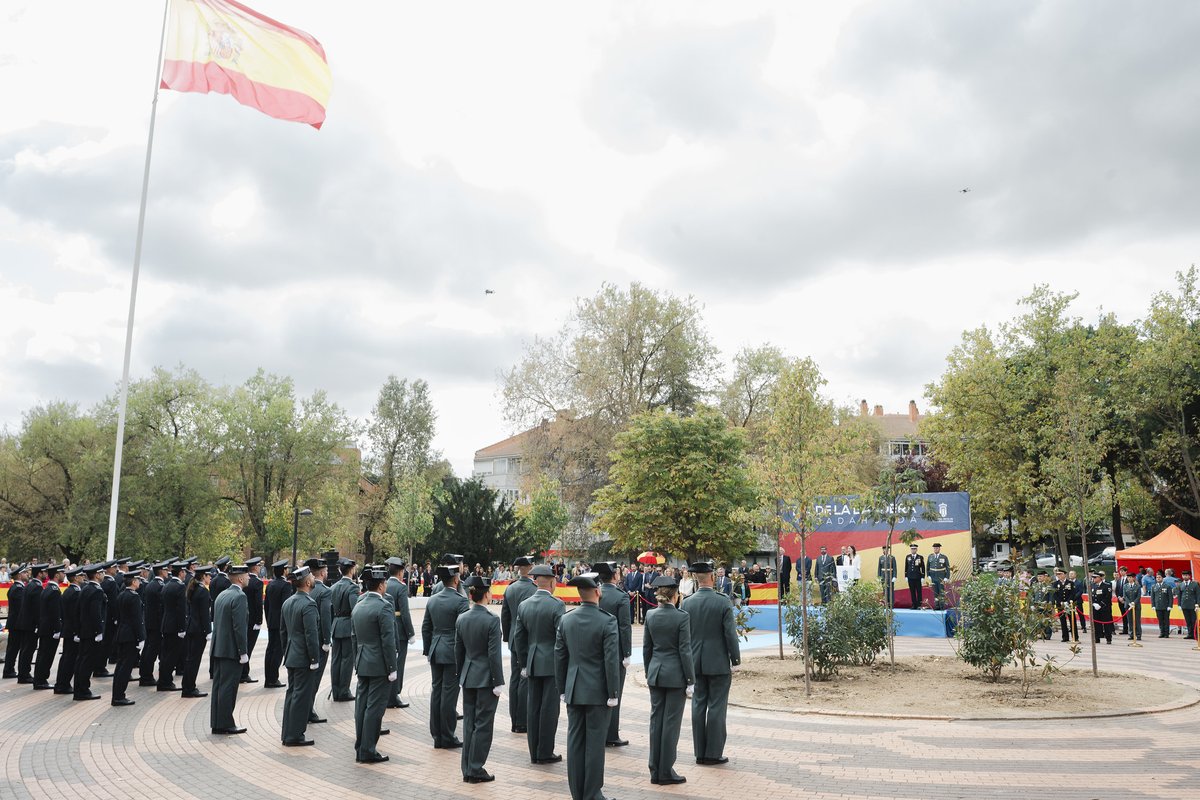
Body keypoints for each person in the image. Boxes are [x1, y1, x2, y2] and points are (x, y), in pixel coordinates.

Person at [554, 573, 620, 800]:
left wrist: (562, 688)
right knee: (594, 743)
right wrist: (613, 692)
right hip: (598, 691)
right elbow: (611, 660)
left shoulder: (566, 619)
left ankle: (577, 792)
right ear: (598, 592)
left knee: (575, 742)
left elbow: (560, 657)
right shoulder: (607, 620)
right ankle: (592, 793)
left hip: (573, 688)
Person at [682, 561, 740, 766]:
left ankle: (700, 752)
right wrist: (736, 659)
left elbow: (684, 636)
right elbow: (730, 634)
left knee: (698, 704)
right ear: (713, 578)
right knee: (716, 706)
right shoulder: (722, 601)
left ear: (697, 579)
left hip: (694, 661)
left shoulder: (687, 603)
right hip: (717, 662)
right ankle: (713, 753)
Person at [510, 563, 564, 764]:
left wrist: (524, 663)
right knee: (549, 709)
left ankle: (534, 751)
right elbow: (561, 639)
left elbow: (518, 638)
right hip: (550, 664)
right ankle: (545, 751)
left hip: (531, 662)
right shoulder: (557, 604)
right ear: (551, 582)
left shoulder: (524, 605)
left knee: (533, 708)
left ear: (535, 582)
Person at [643, 573, 694, 786]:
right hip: (675, 676)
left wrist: (649, 672)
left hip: (656, 672)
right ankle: (666, 770)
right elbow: (685, 651)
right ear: (675, 596)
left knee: (656, 722)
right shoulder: (682, 617)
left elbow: (647, 648)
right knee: (670, 724)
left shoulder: (650, 616)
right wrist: (690, 679)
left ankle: (655, 768)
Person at [455, 574, 504, 783]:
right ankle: (475, 768)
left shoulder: (462, 617)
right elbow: (494, 654)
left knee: (469, 723)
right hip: (485, 678)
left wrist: (461, 674)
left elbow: (459, 650)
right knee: (483, 724)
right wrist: (498, 681)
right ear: (486, 595)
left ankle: (467, 767)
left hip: (468, 675)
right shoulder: (492, 620)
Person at [351, 565, 397, 764]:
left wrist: (357, 660)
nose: (386, 585)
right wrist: (392, 667)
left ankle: (361, 744)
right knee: (374, 708)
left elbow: (354, 637)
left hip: (362, 660)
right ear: (380, 586)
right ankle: (368, 749)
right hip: (379, 663)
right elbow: (388, 640)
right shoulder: (384, 606)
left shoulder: (359, 604)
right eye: (384, 582)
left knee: (362, 705)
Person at [423, 564, 469, 749]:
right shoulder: (460, 601)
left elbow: (426, 627)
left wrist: (428, 649)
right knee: (449, 695)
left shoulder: (432, 600)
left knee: (437, 692)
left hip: (436, 649)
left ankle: (437, 735)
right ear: (456, 580)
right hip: (452, 652)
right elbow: (465, 629)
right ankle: (448, 735)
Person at [280, 565, 321, 747]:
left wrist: (287, 652)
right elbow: (311, 635)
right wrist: (314, 659)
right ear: (306, 582)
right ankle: (295, 735)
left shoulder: (288, 602)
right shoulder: (309, 604)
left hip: (291, 655)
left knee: (292, 694)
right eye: (311, 576)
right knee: (301, 697)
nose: (313, 577)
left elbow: (283, 633)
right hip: (304, 657)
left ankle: (287, 732)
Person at [593, 561, 632, 748]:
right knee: (615, 691)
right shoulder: (621, 597)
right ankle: (611, 734)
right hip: (614, 651)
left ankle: (599, 731)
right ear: (615, 576)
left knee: (598, 692)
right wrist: (627, 653)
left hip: (594, 649)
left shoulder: (595, 593)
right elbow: (625, 627)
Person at [210, 563, 250, 735]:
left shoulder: (222, 595)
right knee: (228, 688)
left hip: (219, 648)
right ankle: (226, 723)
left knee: (219, 687)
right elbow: (239, 627)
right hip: (231, 650)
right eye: (247, 575)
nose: (248, 577)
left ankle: (217, 723)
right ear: (240, 579)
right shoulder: (239, 597)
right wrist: (243, 652)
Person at [500, 555, 536, 734]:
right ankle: (522, 721)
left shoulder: (510, 588)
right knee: (525, 679)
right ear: (530, 568)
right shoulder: (533, 589)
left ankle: (515, 719)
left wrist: (507, 637)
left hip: (515, 639)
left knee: (515, 679)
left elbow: (505, 615)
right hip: (529, 639)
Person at [383, 556, 415, 709]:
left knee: (388, 662)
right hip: (400, 630)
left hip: (386, 626)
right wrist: (410, 633)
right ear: (401, 572)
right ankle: (394, 695)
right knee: (398, 664)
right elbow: (405, 612)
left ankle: (388, 694)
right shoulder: (401, 587)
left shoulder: (384, 584)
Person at [304, 557, 332, 724]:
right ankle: (308, 710)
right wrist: (327, 641)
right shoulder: (325, 591)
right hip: (319, 640)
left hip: (306, 639)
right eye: (326, 571)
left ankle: (306, 709)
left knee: (307, 677)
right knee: (315, 678)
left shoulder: (306, 588)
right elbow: (325, 618)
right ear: (322, 573)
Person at [73, 563, 107, 701]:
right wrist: (98, 631)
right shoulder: (97, 591)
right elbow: (96, 613)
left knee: (82, 660)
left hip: (84, 630)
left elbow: (78, 611)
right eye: (102, 573)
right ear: (97, 575)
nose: (103, 575)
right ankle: (83, 690)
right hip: (92, 632)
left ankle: (79, 688)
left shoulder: (85, 588)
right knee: (87, 661)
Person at [111, 570, 144, 706]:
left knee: (120, 666)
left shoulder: (122, 595)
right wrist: (140, 638)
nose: (140, 582)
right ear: (134, 582)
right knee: (125, 668)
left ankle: (117, 695)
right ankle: (119, 696)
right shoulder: (134, 597)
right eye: (138, 580)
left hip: (121, 634)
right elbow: (137, 620)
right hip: (130, 636)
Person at [329, 557, 359, 701]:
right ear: (352, 570)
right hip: (347, 626)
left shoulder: (333, 587)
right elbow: (355, 610)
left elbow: (330, 609)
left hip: (336, 625)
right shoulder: (353, 587)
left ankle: (336, 690)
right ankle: (344, 691)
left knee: (336, 660)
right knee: (347, 660)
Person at [181, 565, 213, 699]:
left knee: (190, 659)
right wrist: (208, 630)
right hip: (199, 629)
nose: (210, 578)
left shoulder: (193, 589)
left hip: (191, 628)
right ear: (203, 577)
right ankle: (190, 688)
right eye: (208, 576)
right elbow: (204, 614)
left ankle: (187, 686)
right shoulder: (203, 591)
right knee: (194, 660)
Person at [32, 564, 63, 690]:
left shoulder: (47, 589)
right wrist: (57, 629)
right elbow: (55, 613)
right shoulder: (54, 591)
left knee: (42, 654)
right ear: (56, 575)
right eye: (62, 573)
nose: (64, 575)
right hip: (50, 629)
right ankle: (41, 680)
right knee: (47, 655)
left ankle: (38, 679)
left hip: (45, 627)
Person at [53, 566, 84, 694]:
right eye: (81, 575)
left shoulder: (68, 591)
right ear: (76, 578)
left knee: (66, 657)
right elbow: (75, 615)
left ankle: (61, 683)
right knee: (70, 659)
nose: (83, 577)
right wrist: (78, 632)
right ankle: (63, 684)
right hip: (72, 631)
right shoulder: (76, 593)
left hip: (68, 629)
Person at [263, 559, 292, 689]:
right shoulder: (285, 586)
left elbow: (266, 605)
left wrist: (268, 620)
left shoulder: (270, 584)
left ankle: (268, 678)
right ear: (284, 570)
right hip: (280, 622)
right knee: (277, 651)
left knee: (270, 650)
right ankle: (273, 679)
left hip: (271, 620)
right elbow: (286, 605)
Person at [138, 561, 166, 687]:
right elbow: (161, 607)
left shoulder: (150, 585)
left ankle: (144, 674)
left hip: (149, 621)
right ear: (161, 571)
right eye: (166, 570)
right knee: (152, 650)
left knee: (148, 649)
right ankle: (146, 676)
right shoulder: (160, 586)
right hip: (156, 623)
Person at [16, 562, 45, 683]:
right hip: (31, 624)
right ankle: (24, 674)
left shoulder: (30, 585)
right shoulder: (37, 587)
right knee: (28, 649)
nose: (46, 574)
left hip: (25, 622)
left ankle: (23, 673)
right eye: (45, 572)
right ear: (39, 573)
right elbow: (37, 608)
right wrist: (39, 624)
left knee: (25, 649)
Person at [2, 563, 28, 679]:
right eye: (24, 573)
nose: (27, 574)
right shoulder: (18, 589)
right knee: (13, 648)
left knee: (13, 648)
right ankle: (8, 670)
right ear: (19, 575)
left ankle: (9, 669)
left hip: (15, 623)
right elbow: (21, 608)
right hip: (17, 623)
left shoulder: (16, 588)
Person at [241, 557, 263, 683]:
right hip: (252, 620)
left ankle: (242, 672)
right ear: (255, 568)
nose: (260, 568)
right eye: (259, 566)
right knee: (248, 647)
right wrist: (259, 621)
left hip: (243, 618)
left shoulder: (244, 580)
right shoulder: (257, 583)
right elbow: (258, 603)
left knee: (244, 645)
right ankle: (244, 673)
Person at [1052, 569, 1077, 642]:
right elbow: (1054, 594)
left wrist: (1068, 601)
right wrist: (1060, 602)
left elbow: (1073, 593)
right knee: (1063, 621)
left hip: (1069, 604)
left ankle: (1075, 637)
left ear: (1065, 574)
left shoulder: (1070, 583)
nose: (1059, 575)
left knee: (1072, 620)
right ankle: (1065, 637)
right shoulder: (1055, 584)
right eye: (1057, 574)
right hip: (1060, 605)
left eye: (1060, 574)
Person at [1089, 571, 1114, 645]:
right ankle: (1097, 638)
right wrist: (1093, 603)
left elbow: (1108, 597)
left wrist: (1100, 605)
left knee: (1106, 624)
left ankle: (1108, 638)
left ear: (1099, 578)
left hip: (1104, 608)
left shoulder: (1107, 585)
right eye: (1093, 577)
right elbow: (1091, 596)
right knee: (1096, 624)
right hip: (1095, 608)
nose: (1094, 579)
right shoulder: (1093, 585)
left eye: (1095, 577)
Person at [1150, 572, 1174, 638]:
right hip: (1158, 606)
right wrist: (1153, 605)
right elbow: (1152, 597)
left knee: (1166, 620)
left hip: (1166, 606)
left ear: (1162, 578)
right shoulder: (1153, 586)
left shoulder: (1167, 586)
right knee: (1160, 620)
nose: (1158, 578)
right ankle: (1162, 632)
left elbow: (1170, 597)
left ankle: (1166, 633)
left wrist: (1170, 605)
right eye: (1157, 577)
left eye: (1159, 577)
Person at [927, 543, 951, 610]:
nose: (935, 549)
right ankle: (937, 606)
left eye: (937, 548)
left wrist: (946, 577)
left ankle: (942, 606)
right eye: (934, 548)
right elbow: (927, 567)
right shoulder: (930, 556)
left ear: (939, 549)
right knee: (935, 592)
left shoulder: (944, 557)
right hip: (933, 577)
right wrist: (928, 575)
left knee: (941, 592)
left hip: (941, 576)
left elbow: (948, 568)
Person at [1178, 570, 1200, 640]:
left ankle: (1195, 634)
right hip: (1184, 605)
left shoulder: (1195, 584)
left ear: (1189, 576)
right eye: (1183, 575)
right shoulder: (1181, 584)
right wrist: (1179, 604)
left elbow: (1198, 595)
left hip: (1193, 605)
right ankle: (1190, 634)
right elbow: (1179, 595)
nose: (1185, 576)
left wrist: (1198, 604)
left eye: (1186, 575)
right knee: (1187, 621)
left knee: (1194, 620)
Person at [1121, 573, 1144, 641]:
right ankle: (1131, 634)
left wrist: (1134, 602)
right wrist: (1129, 603)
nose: (1129, 579)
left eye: (1131, 577)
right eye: (1128, 578)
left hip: (1136, 606)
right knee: (1130, 620)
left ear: (1133, 578)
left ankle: (1138, 634)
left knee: (1137, 621)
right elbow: (1125, 595)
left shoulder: (1137, 586)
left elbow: (1138, 596)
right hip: (1128, 606)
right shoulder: (1125, 586)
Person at [904, 545, 926, 610]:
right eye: (912, 549)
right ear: (911, 550)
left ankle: (919, 605)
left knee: (919, 591)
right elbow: (906, 566)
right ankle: (914, 605)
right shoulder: (908, 557)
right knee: (912, 591)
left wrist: (923, 576)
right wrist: (906, 575)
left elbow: (923, 567)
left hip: (918, 577)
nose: (913, 550)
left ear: (916, 550)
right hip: (910, 577)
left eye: (914, 549)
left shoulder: (920, 557)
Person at [1067, 569, 1087, 633]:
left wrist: (1073, 597)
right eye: (1070, 574)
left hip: (1077, 600)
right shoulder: (1067, 582)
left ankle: (1083, 627)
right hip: (1070, 601)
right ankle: (1072, 627)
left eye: (1072, 574)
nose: (1070, 575)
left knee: (1080, 614)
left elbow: (1080, 591)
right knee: (1071, 615)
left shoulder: (1079, 582)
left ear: (1075, 575)